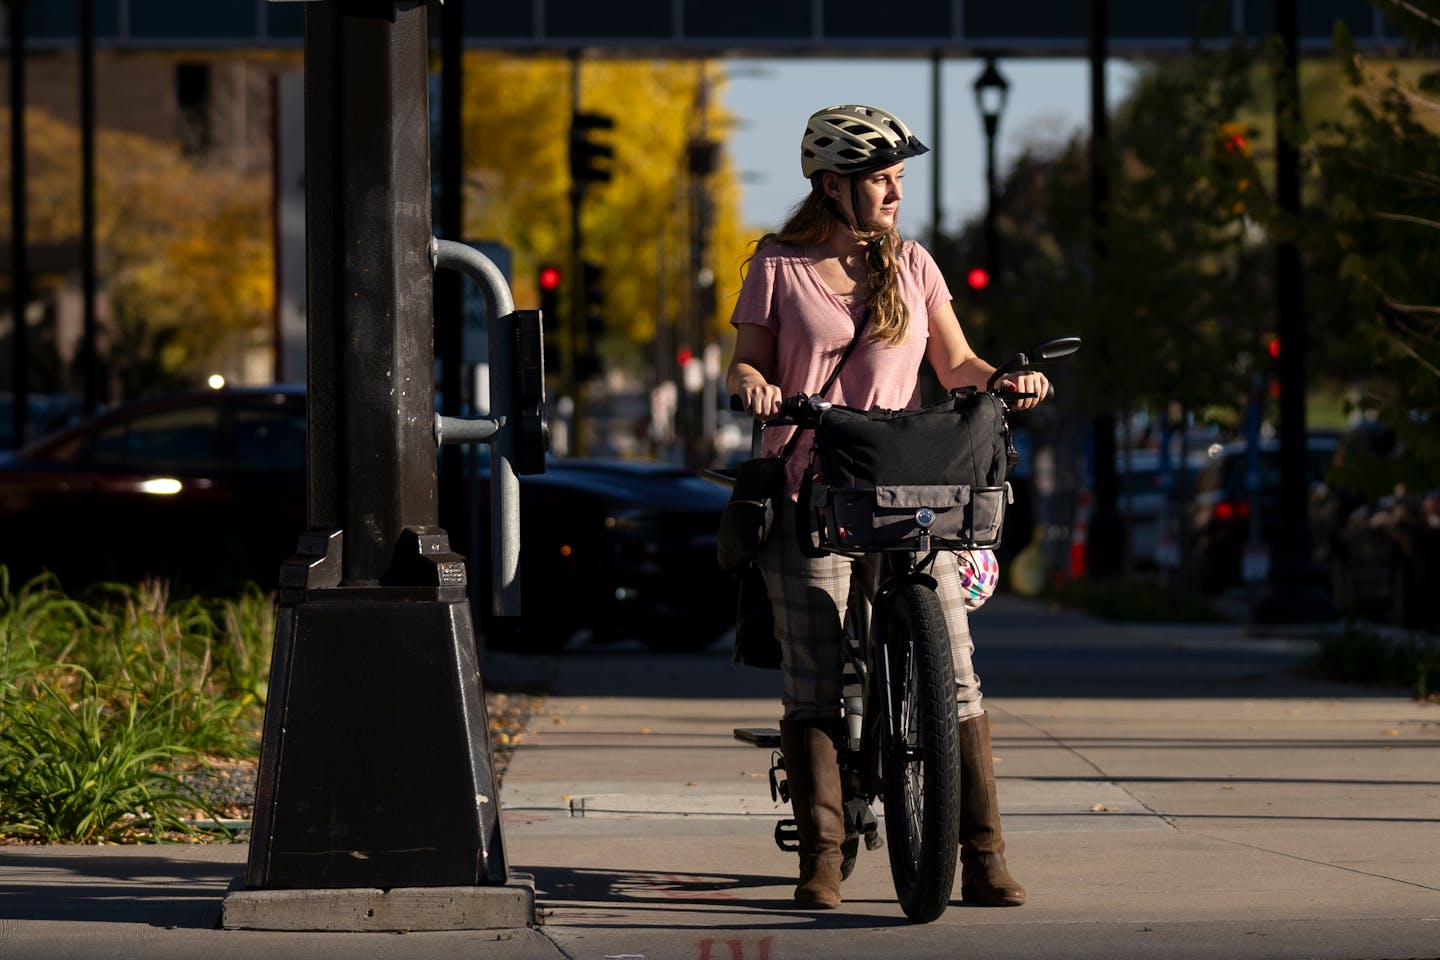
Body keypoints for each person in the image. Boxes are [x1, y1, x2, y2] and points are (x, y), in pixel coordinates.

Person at [724, 104, 1050, 911]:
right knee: (817, 680)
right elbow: (743, 367)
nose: (895, 192)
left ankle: (982, 855)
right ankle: (824, 858)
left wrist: (1001, 382)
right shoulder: (775, 266)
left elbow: (957, 360)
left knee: (960, 676)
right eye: (880, 179)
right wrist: (757, 388)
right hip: (808, 489)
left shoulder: (912, 266)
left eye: (900, 177)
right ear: (832, 187)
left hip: (910, 492)